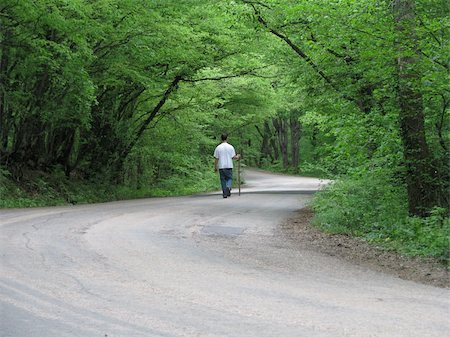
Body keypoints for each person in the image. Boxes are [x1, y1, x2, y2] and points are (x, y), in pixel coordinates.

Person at [214, 133, 240, 198]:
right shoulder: (231, 147)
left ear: (221, 138)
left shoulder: (218, 148)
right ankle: (228, 187)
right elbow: (233, 157)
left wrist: (215, 167)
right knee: (229, 178)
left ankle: (224, 193)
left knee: (223, 180)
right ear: (227, 138)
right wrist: (238, 156)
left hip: (221, 166)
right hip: (229, 165)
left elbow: (216, 158)